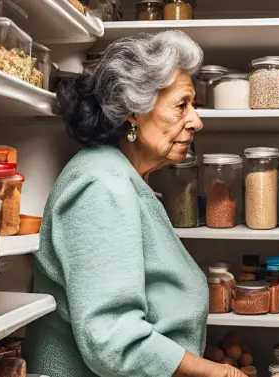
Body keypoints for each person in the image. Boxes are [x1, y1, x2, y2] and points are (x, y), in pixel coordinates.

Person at [24, 31, 247, 377]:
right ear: (133, 111)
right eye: (181, 106)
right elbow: (114, 339)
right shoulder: (102, 186)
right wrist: (213, 372)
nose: (197, 122)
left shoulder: (126, 177)